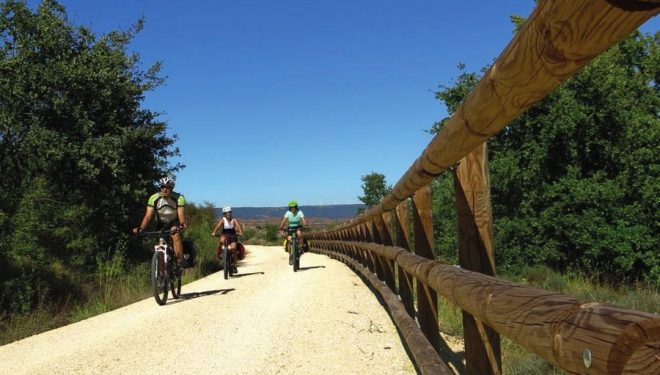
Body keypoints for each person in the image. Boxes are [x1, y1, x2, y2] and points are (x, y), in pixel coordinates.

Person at [133, 177, 188, 274]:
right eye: (162, 187)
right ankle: (161, 272)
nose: (164, 189)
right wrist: (141, 228)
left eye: (167, 187)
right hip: (161, 223)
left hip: (174, 221)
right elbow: (148, 216)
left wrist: (183, 224)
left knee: (175, 235)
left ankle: (179, 263)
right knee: (160, 244)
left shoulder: (179, 198)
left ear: (172, 188)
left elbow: (180, 214)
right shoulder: (154, 198)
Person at [211, 206, 244, 273]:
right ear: (224, 214)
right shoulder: (223, 220)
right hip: (225, 235)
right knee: (221, 240)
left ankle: (234, 265)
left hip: (233, 236)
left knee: (234, 248)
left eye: (229, 212)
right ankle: (222, 252)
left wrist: (240, 232)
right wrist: (214, 232)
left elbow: (238, 226)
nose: (229, 214)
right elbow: (217, 227)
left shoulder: (234, 220)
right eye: (227, 213)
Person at [278, 200, 309, 264]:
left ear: (296, 207)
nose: (293, 208)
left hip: (298, 227)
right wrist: (281, 227)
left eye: (294, 207)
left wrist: (305, 225)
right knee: (289, 240)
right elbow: (284, 221)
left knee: (300, 234)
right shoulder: (288, 213)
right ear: (289, 208)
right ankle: (290, 255)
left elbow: (303, 219)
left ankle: (301, 247)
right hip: (290, 228)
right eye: (291, 207)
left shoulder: (299, 212)